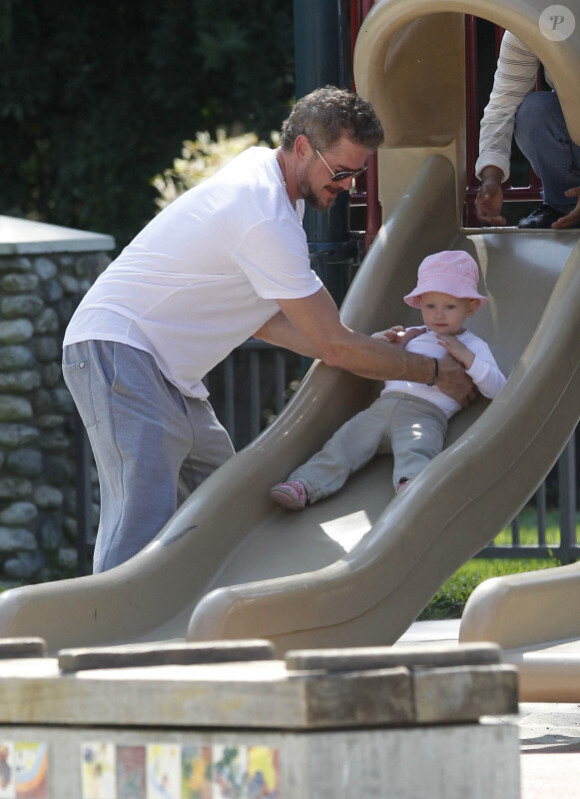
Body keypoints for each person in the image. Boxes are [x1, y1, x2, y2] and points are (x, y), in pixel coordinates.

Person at [62, 86, 475, 573]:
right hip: (120, 351)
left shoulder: (274, 188)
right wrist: (430, 370)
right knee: (142, 513)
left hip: (168, 373)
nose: (347, 185)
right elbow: (331, 345)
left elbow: (270, 320)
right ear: (302, 148)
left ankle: (195, 623)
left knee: (224, 503)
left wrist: (366, 349)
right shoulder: (265, 215)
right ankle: (110, 636)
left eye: (357, 175)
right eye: (340, 172)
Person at [270, 250, 506, 510]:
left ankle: (411, 491)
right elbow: (370, 360)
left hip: (426, 414)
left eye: (449, 307)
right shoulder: (411, 336)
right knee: (344, 442)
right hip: (381, 408)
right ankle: (305, 484)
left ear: (470, 307)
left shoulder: (472, 345)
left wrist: (469, 359)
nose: (439, 315)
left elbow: (499, 389)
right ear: (420, 305)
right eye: (430, 306)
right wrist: (381, 341)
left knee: (419, 447)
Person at [475, 30, 580, 230]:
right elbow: (502, 108)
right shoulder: (530, 21)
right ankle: (564, 206)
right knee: (535, 112)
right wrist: (491, 178)